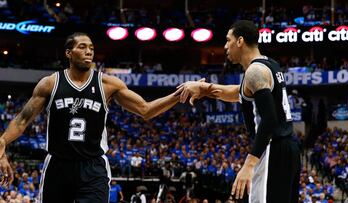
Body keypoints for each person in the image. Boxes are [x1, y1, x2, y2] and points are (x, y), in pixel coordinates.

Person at [0, 32, 184, 203]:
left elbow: (146, 110)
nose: (88, 52)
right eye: (82, 47)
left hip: (93, 167)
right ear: (68, 53)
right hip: (58, 165)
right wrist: (2, 143)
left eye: (91, 48)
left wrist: (180, 94)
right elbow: (21, 121)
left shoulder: (108, 84)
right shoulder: (50, 84)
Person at [179, 20, 301, 203]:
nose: (225, 46)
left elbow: (269, 120)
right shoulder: (269, 65)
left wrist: (249, 165)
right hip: (288, 149)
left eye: (228, 40)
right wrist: (204, 88)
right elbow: (239, 92)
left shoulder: (254, 71)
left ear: (240, 41)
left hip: (272, 150)